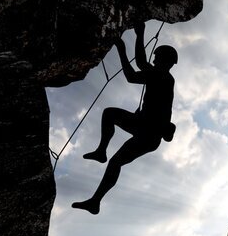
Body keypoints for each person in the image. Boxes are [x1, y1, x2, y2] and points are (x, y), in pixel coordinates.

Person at [72, 23, 177, 214]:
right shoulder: (161, 77)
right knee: (111, 129)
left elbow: (138, 65)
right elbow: (134, 72)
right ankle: (96, 191)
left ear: (164, 61)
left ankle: (100, 162)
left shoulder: (163, 77)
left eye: (157, 57)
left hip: (148, 131)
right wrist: (125, 48)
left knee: (111, 121)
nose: (153, 60)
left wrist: (138, 36)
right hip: (146, 130)